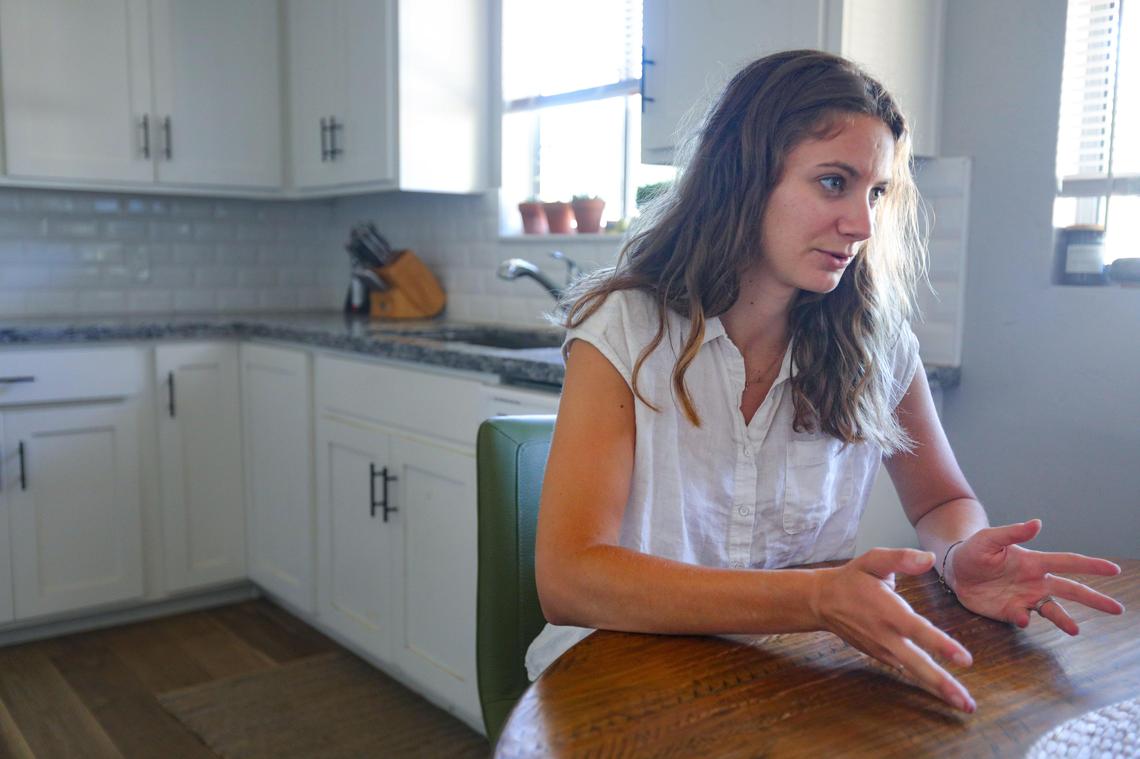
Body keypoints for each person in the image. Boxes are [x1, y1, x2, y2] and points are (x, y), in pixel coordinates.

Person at [527, 50, 1124, 714]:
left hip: (788, 675)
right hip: (616, 677)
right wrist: (813, 599)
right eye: (834, 182)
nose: (862, 225)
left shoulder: (878, 344)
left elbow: (940, 502)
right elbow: (570, 578)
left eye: (876, 193)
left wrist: (958, 556)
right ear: (743, 177)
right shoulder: (627, 329)